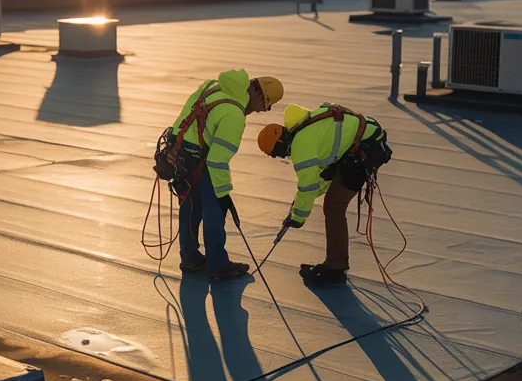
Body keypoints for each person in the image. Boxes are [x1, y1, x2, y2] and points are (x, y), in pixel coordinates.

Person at [162, 70, 283, 279]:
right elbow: (217, 160)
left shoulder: (212, 85)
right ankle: (218, 264)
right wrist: (223, 193)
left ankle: (189, 258)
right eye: (266, 106)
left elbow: (183, 117)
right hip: (201, 161)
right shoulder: (234, 115)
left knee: (190, 207)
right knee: (214, 212)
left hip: (181, 155)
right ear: (258, 96)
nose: (263, 111)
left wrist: (174, 150)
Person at [257, 102, 392, 285]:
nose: (282, 157)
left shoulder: (301, 145)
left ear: (281, 144)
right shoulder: (305, 128)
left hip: (365, 148)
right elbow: (319, 180)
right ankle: (335, 264)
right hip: (364, 141)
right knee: (332, 205)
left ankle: (336, 269)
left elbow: (308, 185)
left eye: (277, 154)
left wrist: (297, 217)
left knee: (334, 207)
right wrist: (297, 204)